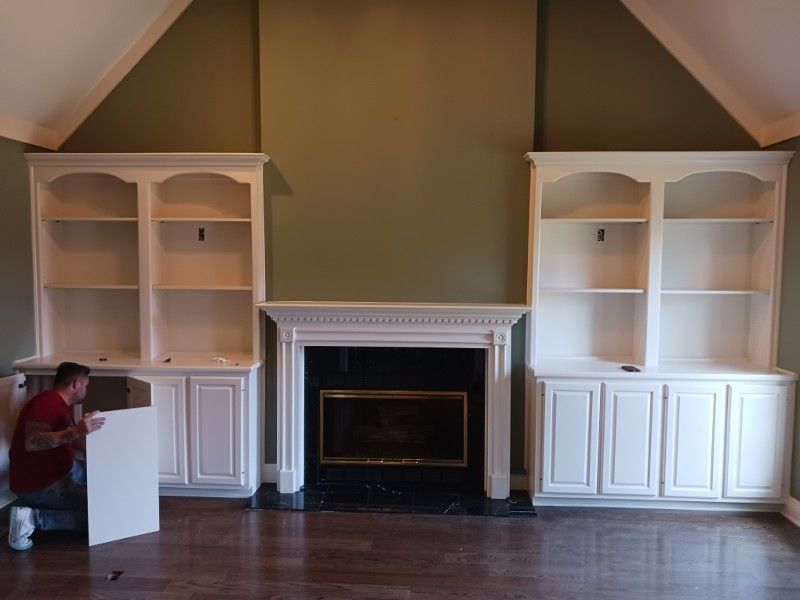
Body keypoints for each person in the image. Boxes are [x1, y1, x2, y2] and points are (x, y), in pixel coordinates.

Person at [7, 362, 105, 550]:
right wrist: (77, 431)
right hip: (41, 485)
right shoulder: (46, 403)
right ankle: (32, 519)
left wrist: (96, 456)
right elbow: (32, 442)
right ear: (76, 384)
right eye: (86, 385)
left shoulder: (61, 403)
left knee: (104, 483)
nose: (86, 390)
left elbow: (70, 435)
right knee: (100, 515)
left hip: (63, 470)